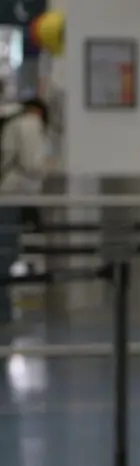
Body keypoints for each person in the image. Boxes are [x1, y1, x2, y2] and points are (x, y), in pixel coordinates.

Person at [0, 96, 48, 326]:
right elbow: (33, 164)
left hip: (7, 192)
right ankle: (3, 315)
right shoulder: (29, 122)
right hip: (11, 195)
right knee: (4, 256)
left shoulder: (11, 119)